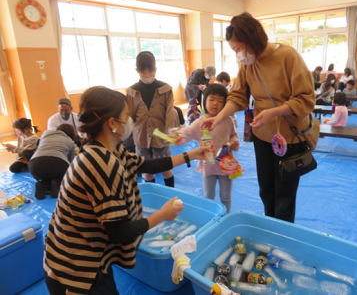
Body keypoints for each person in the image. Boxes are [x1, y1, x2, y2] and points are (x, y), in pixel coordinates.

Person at [43, 86, 208, 295]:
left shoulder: (108, 148)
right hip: (75, 269)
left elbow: (148, 165)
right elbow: (119, 232)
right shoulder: (102, 165)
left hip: (88, 256)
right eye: (127, 116)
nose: (130, 121)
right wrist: (163, 215)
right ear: (113, 123)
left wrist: (191, 155)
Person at [200, 13, 316, 223]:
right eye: (234, 50)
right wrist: (219, 118)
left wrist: (273, 111)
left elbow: (306, 99)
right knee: (266, 188)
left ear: (252, 40)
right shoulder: (248, 62)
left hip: (289, 137)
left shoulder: (288, 57)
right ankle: (269, 228)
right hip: (263, 136)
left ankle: (281, 236)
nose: (238, 55)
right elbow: (238, 95)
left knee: (284, 194)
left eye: (238, 48)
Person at [173, 84, 239, 213]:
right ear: (204, 101)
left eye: (221, 101)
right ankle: (212, 218)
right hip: (208, 166)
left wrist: (234, 143)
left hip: (226, 165)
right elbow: (187, 133)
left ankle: (226, 217)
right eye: (211, 99)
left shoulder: (228, 120)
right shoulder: (200, 122)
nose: (216, 104)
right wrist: (176, 137)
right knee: (209, 196)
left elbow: (234, 136)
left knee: (226, 197)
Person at [126, 51, 177, 187]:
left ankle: (170, 195)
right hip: (141, 137)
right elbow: (129, 115)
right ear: (137, 71)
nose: (147, 75)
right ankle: (153, 196)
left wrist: (170, 133)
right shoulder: (131, 91)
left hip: (161, 137)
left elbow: (170, 112)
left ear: (156, 69)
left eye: (151, 71)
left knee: (166, 169)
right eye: (143, 72)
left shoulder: (165, 89)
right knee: (147, 172)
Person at [29, 124, 76, 199]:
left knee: (46, 172)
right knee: (64, 174)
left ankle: (43, 183)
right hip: (57, 163)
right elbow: (71, 162)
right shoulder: (70, 141)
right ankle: (57, 183)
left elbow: (38, 147)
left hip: (34, 166)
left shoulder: (45, 134)